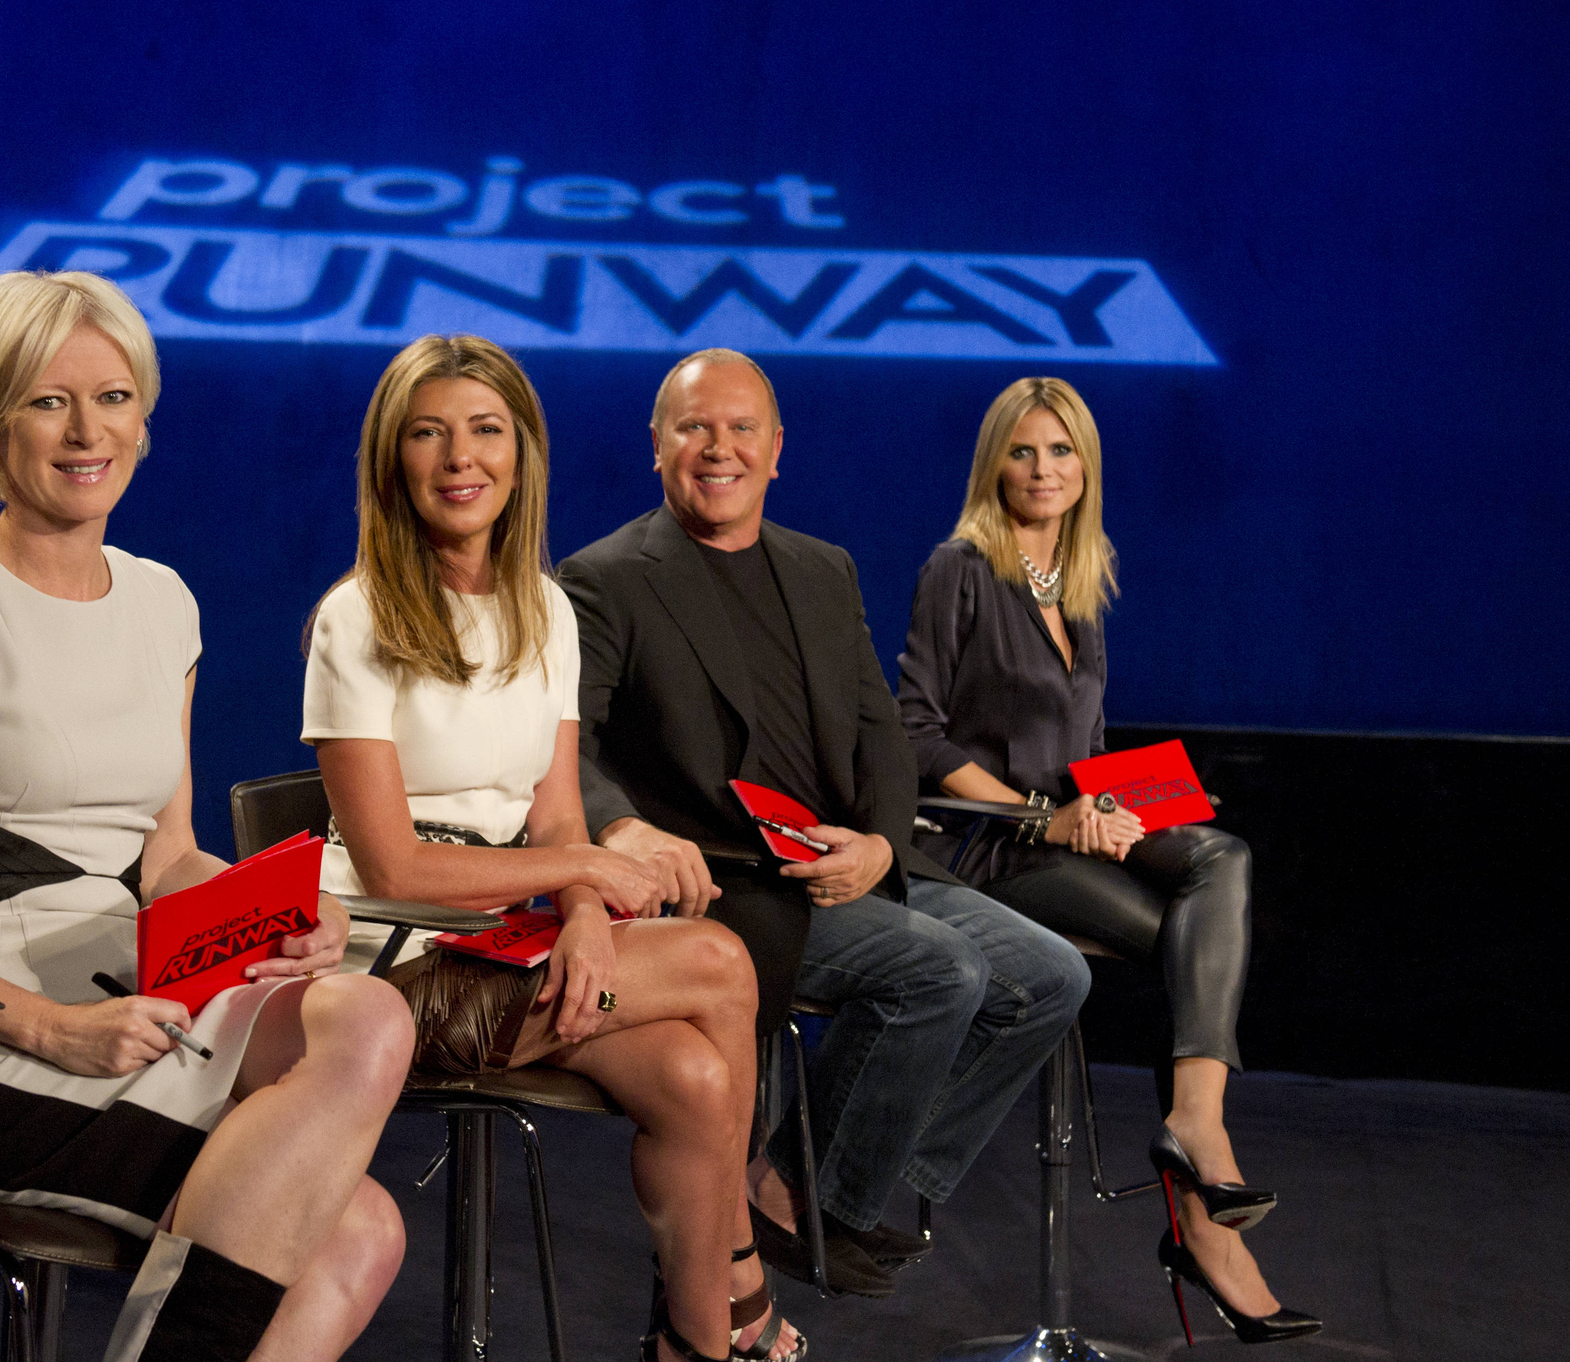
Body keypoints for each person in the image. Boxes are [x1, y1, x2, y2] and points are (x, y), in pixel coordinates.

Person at [0, 270, 415, 1362]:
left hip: (123, 992)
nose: (89, 432)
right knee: (352, 1229)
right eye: (48, 401)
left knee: (366, 1014)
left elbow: (164, 855)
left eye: (115, 398)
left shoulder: (162, 602)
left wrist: (266, 917)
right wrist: (44, 1028)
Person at [303, 334, 800, 1362]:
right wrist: (578, 878)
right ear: (391, 459)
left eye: (485, 431)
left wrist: (581, 917)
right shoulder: (354, 619)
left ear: (521, 454)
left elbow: (559, 817)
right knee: (715, 958)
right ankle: (718, 1324)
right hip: (393, 966)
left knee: (699, 1085)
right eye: (428, 435)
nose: (458, 459)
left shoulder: (546, 612)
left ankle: (686, 1336)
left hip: (514, 944)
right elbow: (393, 868)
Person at [557, 348, 1092, 1299]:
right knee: (941, 971)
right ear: (656, 447)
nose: (718, 449)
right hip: (737, 881)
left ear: (776, 452)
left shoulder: (821, 568)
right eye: (694, 428)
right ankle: (815, 1198)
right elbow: (570, 749)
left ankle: (809, 1188)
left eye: (741, 430)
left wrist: (883, 841)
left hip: (859, 861)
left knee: (1052, 975)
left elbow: (885, 735)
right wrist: (620, 832)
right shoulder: (606, 578)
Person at [896, 375, 1319, 1343]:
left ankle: (1193, 1130)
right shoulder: (958, 567)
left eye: (1060, 451)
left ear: (1085, 465)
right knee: (1189, 939)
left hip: (1085, 813)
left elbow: (1074, 734)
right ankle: (1201, 1215)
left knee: (1220, 853)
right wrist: (1040, 814)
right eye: (1021, 451)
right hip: (996, 846)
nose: (1041, 471)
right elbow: (913, 732)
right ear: (991, 464)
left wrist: (1120, 801)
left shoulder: (1079, 576)